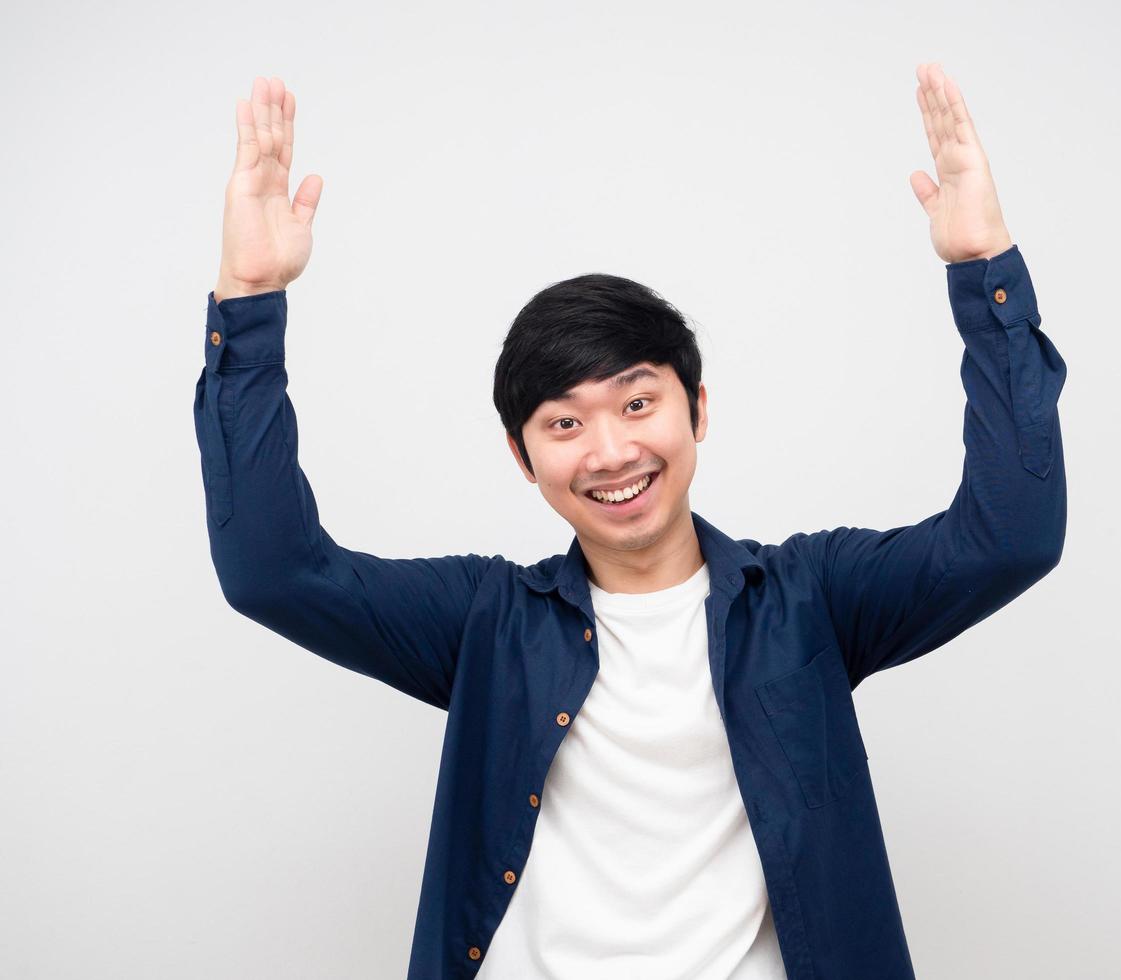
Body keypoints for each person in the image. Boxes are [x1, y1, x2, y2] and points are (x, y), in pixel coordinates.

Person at [194, 64, 1066, 980]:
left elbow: (1010, 537)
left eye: (637, 404)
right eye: (564, 423)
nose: (609, 453)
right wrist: (249, 303)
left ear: (696, 409)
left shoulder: (810, 603)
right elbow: (272, 572)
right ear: (522, 457)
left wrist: (982, 274)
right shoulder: (484, 622)